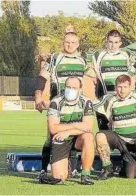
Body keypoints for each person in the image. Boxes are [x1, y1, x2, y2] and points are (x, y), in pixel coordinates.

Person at [35, 32, 96, 178]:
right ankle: (43, 169)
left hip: (76, 104)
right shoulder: (55, 58)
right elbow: (43, 77)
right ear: (63, 42)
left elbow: (94, 74)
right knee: (51, 136)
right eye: (67, 42)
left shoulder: (82, 60)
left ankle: (73, 169)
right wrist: (38, 97)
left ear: (78, 44)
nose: (70, 45)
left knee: (78, 132)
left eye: (73, 42)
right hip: (58, 103)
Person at [38, 77, 96, 185]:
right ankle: (64, 166)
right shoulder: (55, 102)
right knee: (59, 178)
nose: (71, 90)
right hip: (61, 139)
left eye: (74, 87)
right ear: (64, 87)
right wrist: (76, 125)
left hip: (77, 138)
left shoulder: (86, 102)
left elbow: (88, 127)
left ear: (80, 89)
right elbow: (53, 128)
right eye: (68, 87)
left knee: (88, 136)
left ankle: (85, 175)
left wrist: (68, 132)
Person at [94, 75, 136, 180]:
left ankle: (125, 165)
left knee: (130, 175)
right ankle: (107, 168)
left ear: (131, 86)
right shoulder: (109, 99)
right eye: (119, 87)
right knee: (100, 135)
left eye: (125, 87)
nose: (122, 90)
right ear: (115, 87)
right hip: (118, 139)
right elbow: (90, 105)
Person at [92, 30, 136, 96]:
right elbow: (84, 61)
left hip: (123, 96)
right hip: (105, 96)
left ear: (120, 43)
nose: (113, 45)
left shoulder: (126, 54)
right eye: (110, 42)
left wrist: (130, 76)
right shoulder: (98, 55)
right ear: (106, 42)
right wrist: (94, 74)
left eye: (116, 42)